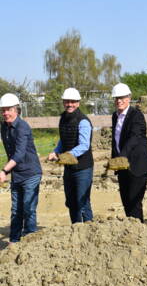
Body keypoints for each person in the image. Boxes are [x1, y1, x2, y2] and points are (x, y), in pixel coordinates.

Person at [0, 93, 42, 244]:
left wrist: (4, 171)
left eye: (8, 110)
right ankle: (14, 241)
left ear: (16, 110)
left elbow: (19, 154)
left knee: (28, 208)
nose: (5, 113)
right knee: (15, 210)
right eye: (3, 110)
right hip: (17, 175)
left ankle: (30, 241)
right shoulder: (3, 127)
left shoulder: (22, 127)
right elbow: (9, 152)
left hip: (31, 173)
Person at [48, 88, 94, 224]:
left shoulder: (83, 121)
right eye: (67, 101)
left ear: (78, 103)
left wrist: (65, 156)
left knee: (83, 202)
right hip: (69, 168)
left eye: (73, 102)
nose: (70, 104)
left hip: (83, 168)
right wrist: (56, 151)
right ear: (63, 102)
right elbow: (63, 139)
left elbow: (84, 145)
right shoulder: (63, 118)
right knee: (71, 202)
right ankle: (75, 230)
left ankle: (89, 231)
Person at [111, 83, 147, 222]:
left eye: (122, 97)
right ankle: (131, 229)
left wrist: (121, 156)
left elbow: (134, 137)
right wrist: (115, 160)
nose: (119, 101)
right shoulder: (115, 116)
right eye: (116, 98)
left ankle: (137, 231)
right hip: (122, 166)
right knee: (126, 201)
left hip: (138, 164)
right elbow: (116, 140)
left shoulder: (136, 116)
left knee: (134, 201)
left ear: (129, 98)